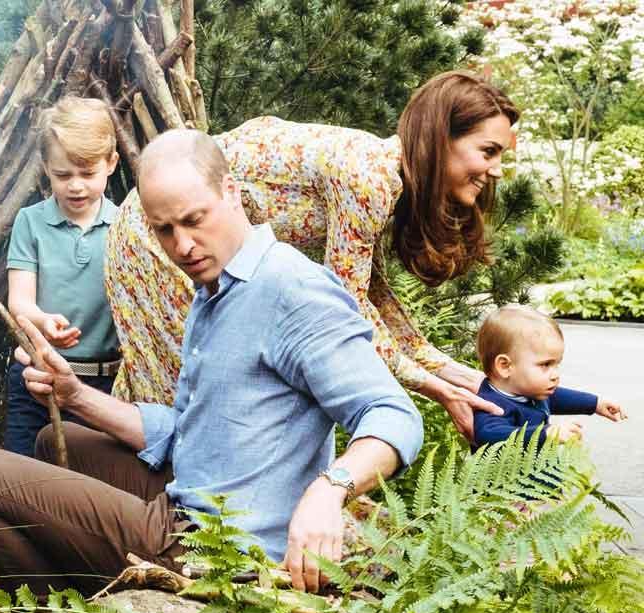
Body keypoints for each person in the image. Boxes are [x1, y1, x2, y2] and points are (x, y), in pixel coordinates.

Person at [0, 130, 423, 613]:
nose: (183, 246)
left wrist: (330, 491)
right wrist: (75, 396)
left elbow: (392, 414)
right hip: (198, 493)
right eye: (164, 230)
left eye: (195, 220)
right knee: (51, 443)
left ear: (233, 193)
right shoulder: (215, 290)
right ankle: (85, 601)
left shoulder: (293, 289)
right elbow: (192, 431)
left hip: (216, 549)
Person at [106, 70, 519, 441]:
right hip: (154, 230)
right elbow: (349, 310)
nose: (497, 169)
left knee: (178, 384)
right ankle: (173, 517)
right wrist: (433, 387)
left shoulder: (382, 175)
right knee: (192, 391)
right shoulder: (368, 177)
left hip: (177, 230)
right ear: (442, 139)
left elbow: (373, 294)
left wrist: (453, 373)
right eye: (488, 151)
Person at [3, 97, 122, 456]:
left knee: (89, 491)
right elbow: (19, 301)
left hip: (104, 385)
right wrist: (42, 321)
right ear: (45, 168)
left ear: (112, 164)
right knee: (24, 480)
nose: (76, 186)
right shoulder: (31, 222)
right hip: (37, 377)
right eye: (63, 175)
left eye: (88, 173)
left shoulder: (125, 227)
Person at [472, 305, 625, 449]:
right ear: (505, 366)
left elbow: (555, 397)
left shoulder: (529, 391)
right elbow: (489, 436)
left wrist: (596, 403)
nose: (555, 375)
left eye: (556, 365)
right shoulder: (492, 405)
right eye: (545, 365)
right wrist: (545, 434)